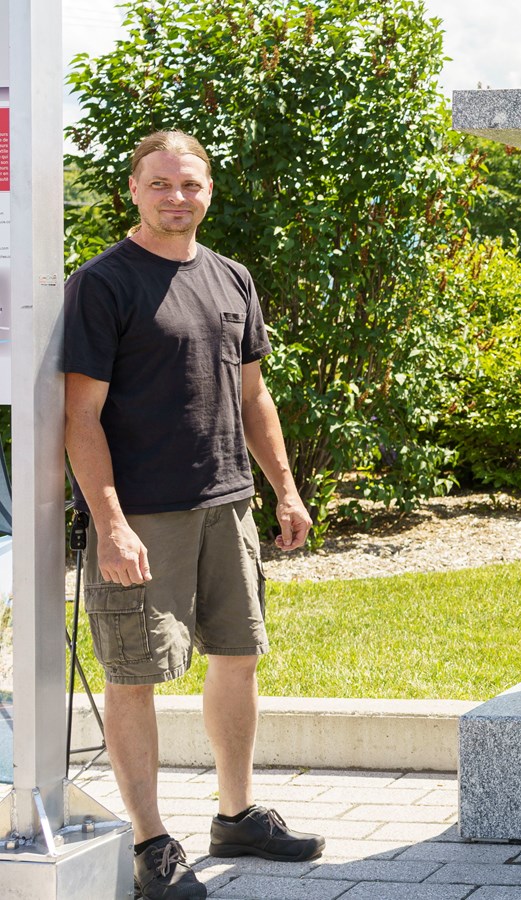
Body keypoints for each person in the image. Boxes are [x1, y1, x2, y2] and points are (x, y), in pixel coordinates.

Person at [64, 130, 323, 900]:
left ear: (210, 191)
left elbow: (253, 397)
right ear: (134, 190)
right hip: (144, 513)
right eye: (162, 184)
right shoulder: (103, 283)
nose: (178, 197)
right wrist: (109, 523)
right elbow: (81, 416)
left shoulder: (231, 278)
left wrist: (284, 487)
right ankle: (151, 845)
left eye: (191, 184)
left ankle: (236, 814)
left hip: (226, 503)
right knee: (134, 672)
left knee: (237, 656)